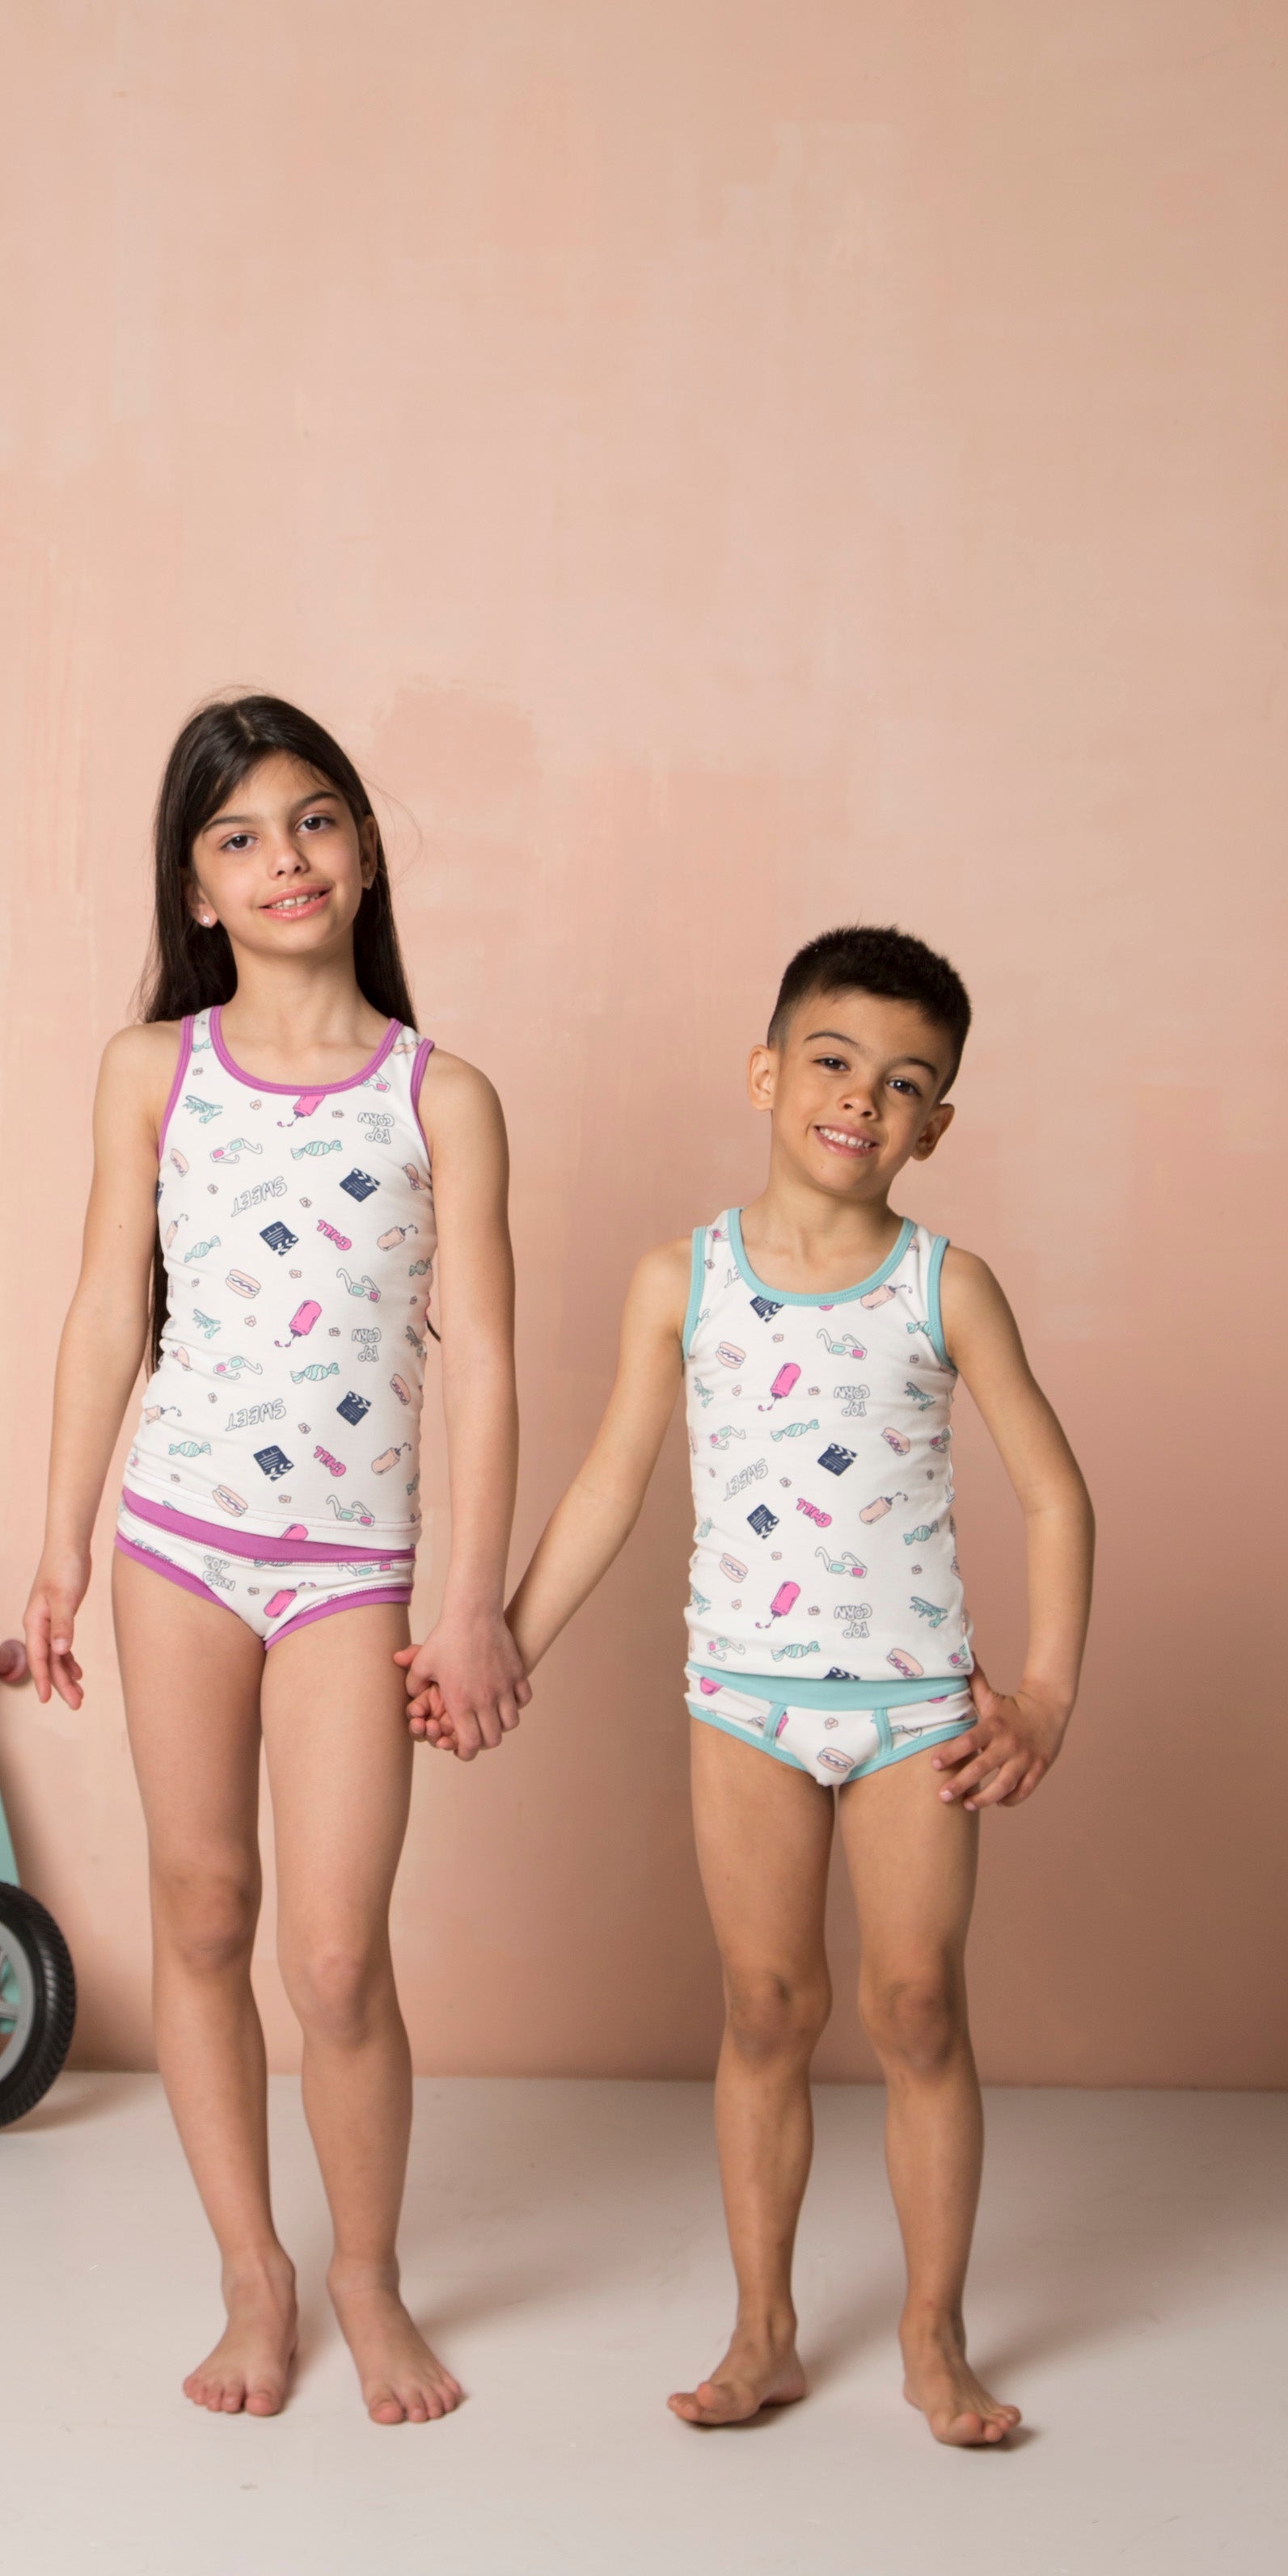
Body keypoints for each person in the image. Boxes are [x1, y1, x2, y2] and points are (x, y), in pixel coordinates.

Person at [411, 926, 1093, 2446]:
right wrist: (502, 1635)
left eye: (904, 1083)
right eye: (834, 1061)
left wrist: (1043, 1693)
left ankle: (931, 2335)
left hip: (915, 1713)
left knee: (916, 2009)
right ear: (767, 1074)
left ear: (934, 1127)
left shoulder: (948, 1287)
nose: (862, 1097)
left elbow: (1055, 1493)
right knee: (767, 2008)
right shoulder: (685, 1278)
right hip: (743, 1703)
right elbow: (609, 1482)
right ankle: (762, 2331)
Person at [25, 697, 527, 2423]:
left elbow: (488, 1360)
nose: (283, 860)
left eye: (312, 822)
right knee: (202, 1908)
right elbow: (108, 1309)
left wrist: (472, 1601)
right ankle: (253, 2273)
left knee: (331, 1958)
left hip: (350, 1572)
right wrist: (59, 1545)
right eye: (237, 837)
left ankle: (367, 2275)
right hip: (176, 1543)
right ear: (195, 888)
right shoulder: (149, 1071)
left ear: (363, 848)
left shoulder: (441, 1096)